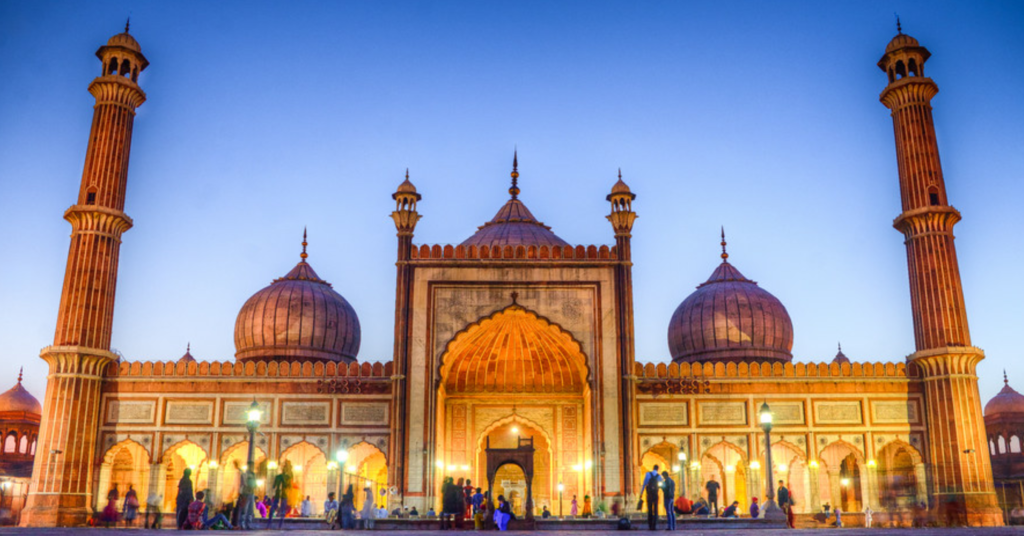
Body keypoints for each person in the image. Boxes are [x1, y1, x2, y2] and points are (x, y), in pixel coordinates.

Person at [266, 461, 292, 529]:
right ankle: (270, 525)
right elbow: (274, 486)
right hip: (279, 496)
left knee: (281, 511)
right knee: (273, 510)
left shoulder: (287, 477)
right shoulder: (279, 477)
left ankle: (278, 526)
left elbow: (288, 487)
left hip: (283, 496)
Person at [640, 464, 663, 530]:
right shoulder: (659, 476)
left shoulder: (648, 474)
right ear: (657, 469)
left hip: (649, 495)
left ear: (653, 468)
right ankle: (655, 525)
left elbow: (644, 484)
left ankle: (650, 525)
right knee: (655, 510)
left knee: (649, 510)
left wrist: (641, 493)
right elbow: (662, 486)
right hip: (655, 495)